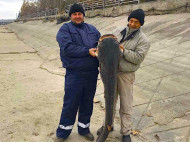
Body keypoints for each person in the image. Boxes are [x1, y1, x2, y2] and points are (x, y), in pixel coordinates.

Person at [97, 9, 150, 142]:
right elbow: (107, 45)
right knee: (110, 100)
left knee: (126, 104)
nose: (132, 24)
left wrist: (123, 50)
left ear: (141, 24)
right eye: (131, 20)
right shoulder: (118, 31)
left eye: (136, 22)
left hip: (126, 74)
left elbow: (138, 58)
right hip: (111, 72)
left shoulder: (143, 40)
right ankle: (107, 126)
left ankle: (126, 131)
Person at [55, 3, 101, 142]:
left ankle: (84, 129)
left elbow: (100, 45)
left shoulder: (93, 29)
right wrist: (87, 51)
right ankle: (63, 133)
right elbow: (67, 48)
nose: (77, 16)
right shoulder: (65, 29)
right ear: (70, 16)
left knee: (87, 102)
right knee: (71, 103)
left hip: (92, 74)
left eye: (79, 14)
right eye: (74, 14)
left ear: (83, 15)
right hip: (74, 74)